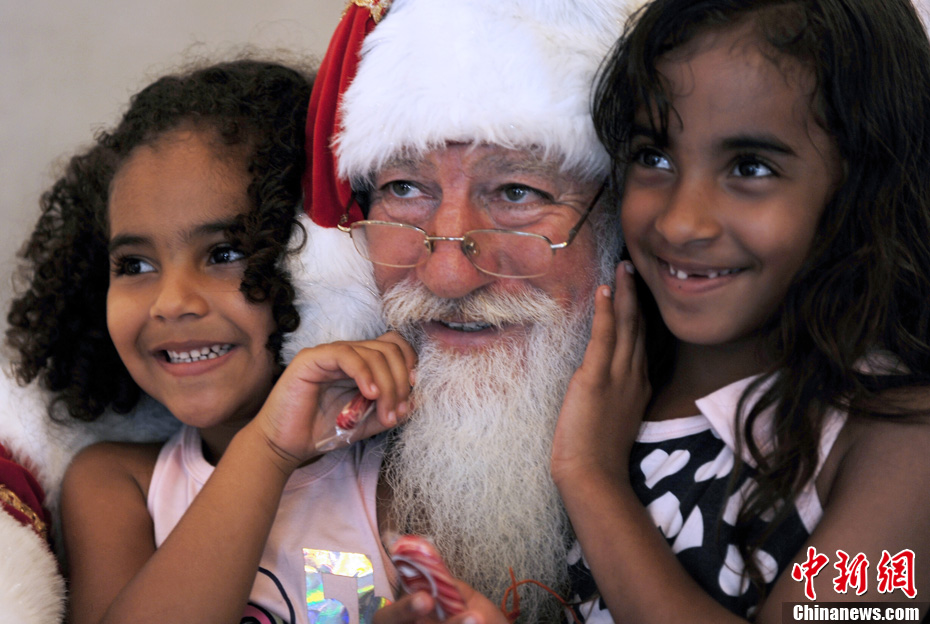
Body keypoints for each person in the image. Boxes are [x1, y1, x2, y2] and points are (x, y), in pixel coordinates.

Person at [5, 57, 421, 624]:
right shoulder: (116, 486)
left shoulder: (399, 481)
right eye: (134, 264)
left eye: (225, 253)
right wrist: (267, 450)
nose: (171, 301)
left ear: (322, 265)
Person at [550, 0, 930, 621]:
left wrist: (592, 476)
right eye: (653, 156)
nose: (680, 222)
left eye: (750, 167)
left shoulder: (900, 441)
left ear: (866, 186)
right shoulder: (596, 383)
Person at [300, 0, 634, 621]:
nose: (448, 275)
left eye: (518, 192)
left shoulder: (731, 473)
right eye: (404, 188)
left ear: (621, 226)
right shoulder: (296, 470)